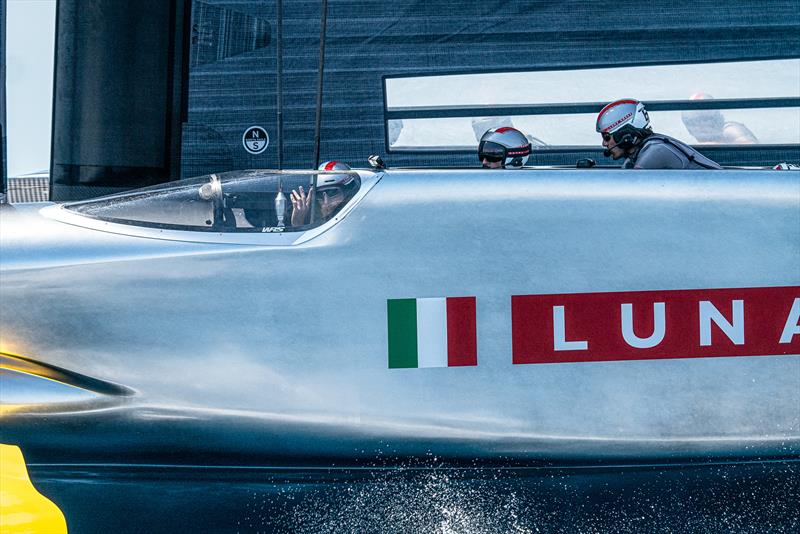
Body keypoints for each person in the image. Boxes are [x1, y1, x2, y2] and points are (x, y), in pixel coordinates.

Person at [596, 99, 722, 169]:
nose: (604, 143)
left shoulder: (655, 151)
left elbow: (630, 188)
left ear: (624, 135)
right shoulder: (639, 153)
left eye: (606, 137)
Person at [290, 161, 359, 226]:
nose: (326, 202)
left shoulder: (362, 219)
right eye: (320, 195)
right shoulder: (315, 225)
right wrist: (298, 223)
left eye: (332, 192)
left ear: (349, 192)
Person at [681, 92, 757, 145]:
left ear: (716, 120)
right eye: (693, 122)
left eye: (705, 119)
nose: (699, 126)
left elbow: (752, 149)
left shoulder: (730, 129)